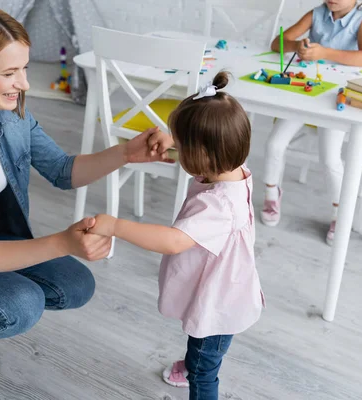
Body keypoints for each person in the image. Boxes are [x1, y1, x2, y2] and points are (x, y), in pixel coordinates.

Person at [0, 4, 174, 385]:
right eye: (9, 73)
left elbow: (62, 170)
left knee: (76, 285)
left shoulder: (9, 112)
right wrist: (64, 242)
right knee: (23, 304)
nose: (24, 84)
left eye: (23, 68)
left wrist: (125, 153)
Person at [89, 71, 265, 400]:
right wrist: (174, 144)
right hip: (224, 284)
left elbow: (172, 240)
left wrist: (115, 226)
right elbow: (207, 154)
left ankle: (194, 369)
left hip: (219, 302)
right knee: (201, 346)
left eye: (181, 146)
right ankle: (193, 360)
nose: (177, 151)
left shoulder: (218, 206)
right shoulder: (233, 169)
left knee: (205, 368)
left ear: (203, 156)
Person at [261, 0, 362, 245]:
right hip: (305, 93)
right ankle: (272, 195)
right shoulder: (316, 14)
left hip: (335, 98)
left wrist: (324, 52)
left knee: (329, 158)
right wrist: (299, 45)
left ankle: (340, 213)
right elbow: (276, 43)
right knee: (274, 144)